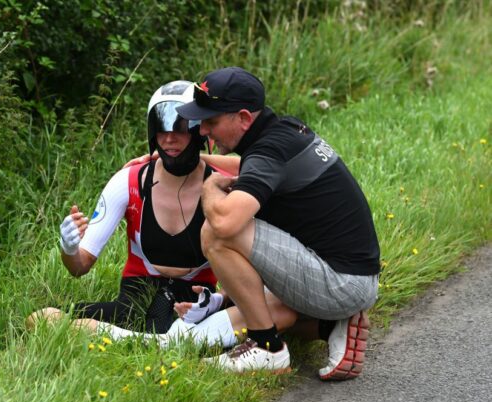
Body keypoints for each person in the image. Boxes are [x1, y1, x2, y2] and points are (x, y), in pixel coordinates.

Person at [27, 80, 296, 340]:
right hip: (133, 302)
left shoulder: (225, 185)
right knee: (40, 318)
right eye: (161, 131)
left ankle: (141, 340)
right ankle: (148, 339)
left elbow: (258, 256)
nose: (169, 140)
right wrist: (69, 249)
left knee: (284, 315)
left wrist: (220, 299)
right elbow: (79, 267)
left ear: (200, 131)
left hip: (193, 305)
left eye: (179, 130)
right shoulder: (129, 181)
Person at [174, 67, 381, 380]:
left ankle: (267, 347)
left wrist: (209, 188)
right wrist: (193, 163)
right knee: (254, 295)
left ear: (243, 118)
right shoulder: (284, 131)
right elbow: (248, 166)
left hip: (341, 284)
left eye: (211, 120)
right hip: (351, 276)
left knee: (216, 234)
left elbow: (226, 223)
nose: (202, 130)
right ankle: (333, 324)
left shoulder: (268, 151)